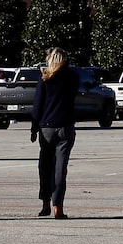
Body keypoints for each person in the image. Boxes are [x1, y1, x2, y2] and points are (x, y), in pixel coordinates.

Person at [30, 47, 81, 218]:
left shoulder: (45, 78)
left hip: (47, 128)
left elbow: (38, 104)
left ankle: (45, 204)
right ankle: (58, 207)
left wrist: (34, 127)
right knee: (60, 169)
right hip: (65, 127)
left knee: (45, 166)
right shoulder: (73, 77)